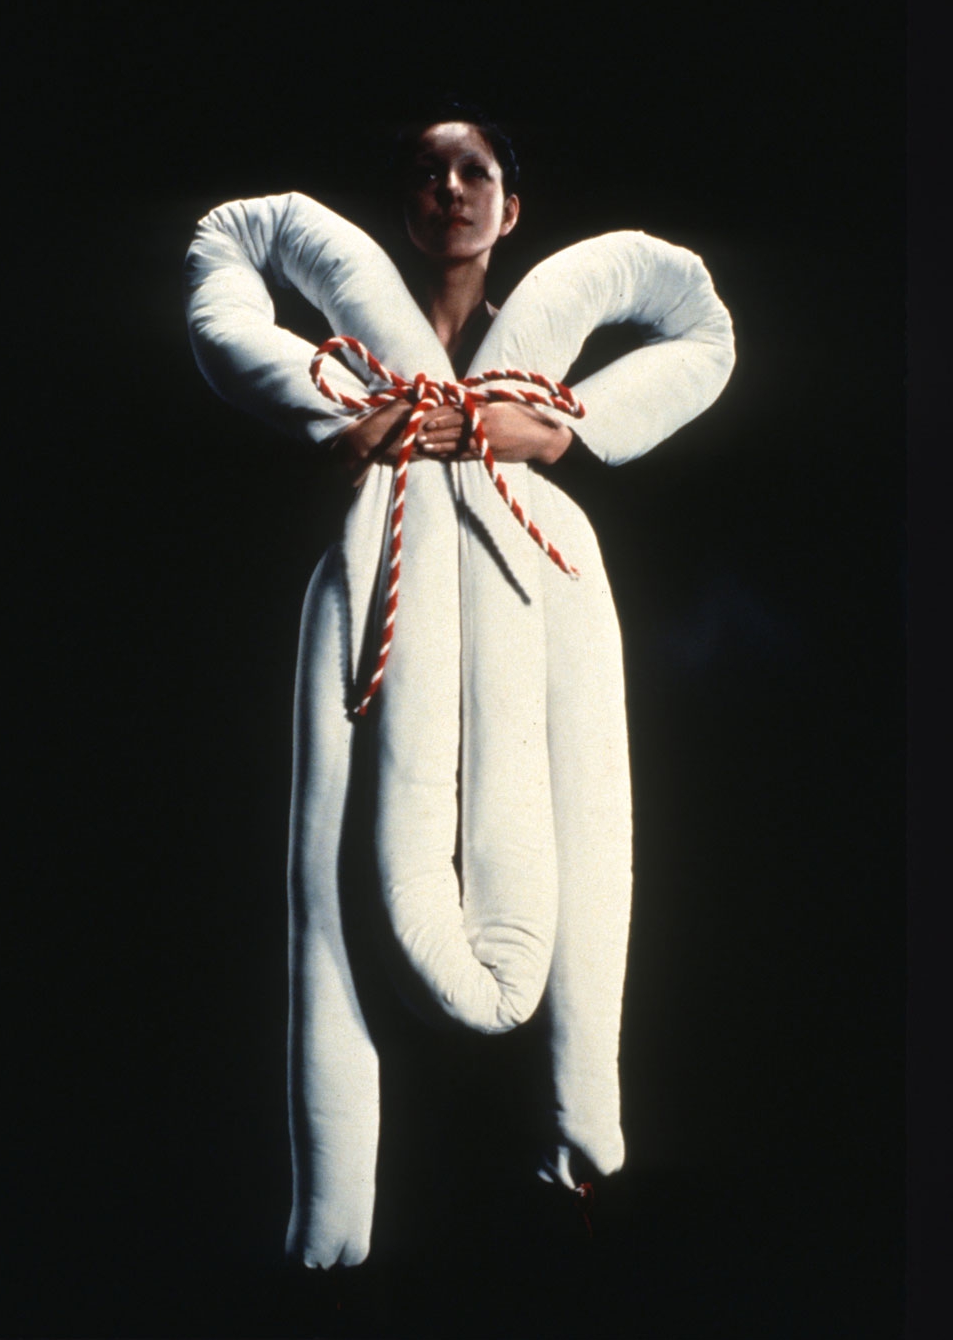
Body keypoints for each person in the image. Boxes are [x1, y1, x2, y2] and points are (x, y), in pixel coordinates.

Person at [184, 100, 735, 1270]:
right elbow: (225, 257)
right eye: (429, 172)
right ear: (401, 206)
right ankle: (330, 1222)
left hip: (541, 581)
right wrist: (335, 412)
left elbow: (700, 324)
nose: (450, 188)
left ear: (511, 207)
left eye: (474, 170)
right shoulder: (364, 365)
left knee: (587, 829)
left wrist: (565, 433)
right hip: (370, 576)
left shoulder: (529, 378)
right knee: (327, 879)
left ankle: (581, 1133)